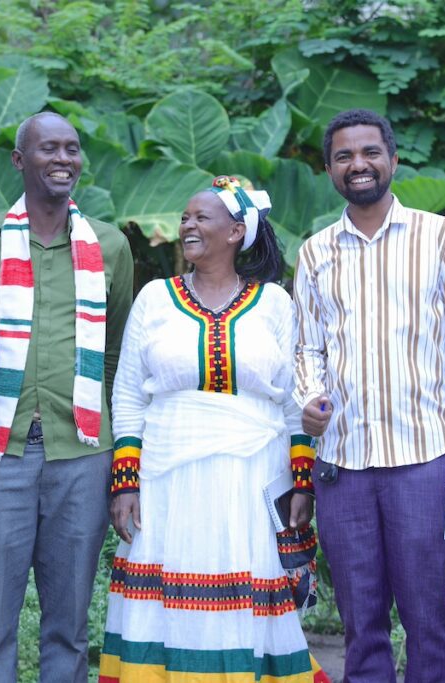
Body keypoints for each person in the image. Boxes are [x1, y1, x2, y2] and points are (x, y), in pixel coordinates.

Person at [100, 176, 329, 682]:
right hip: (167, 476)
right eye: (184, 217)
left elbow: (295, 401)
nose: (187, 225)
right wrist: (125, 481)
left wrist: (301, 482)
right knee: (164, 590)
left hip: (251, 478)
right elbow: (130, 394)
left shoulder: (274, 304)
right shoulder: (155, 298)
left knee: (247, 585)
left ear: (236, 231)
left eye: (201, 217)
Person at [293, 108, 445, 683]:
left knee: (428, 610)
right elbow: (309, 350)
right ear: (330, 169)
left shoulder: (440, 236)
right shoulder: (314, 252)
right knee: (361, 614)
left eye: (370, 152)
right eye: (345, 156)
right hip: (343, 464)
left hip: (424, 459)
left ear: (393, 159)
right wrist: (310, 398)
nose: (359, 164)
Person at [0, 111, 134, 682]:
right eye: (48, 149)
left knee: (69, 624)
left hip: (81, 455)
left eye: (72, 149)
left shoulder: (109, 246)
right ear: (18, 161)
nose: (63, 159)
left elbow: (113, 353)